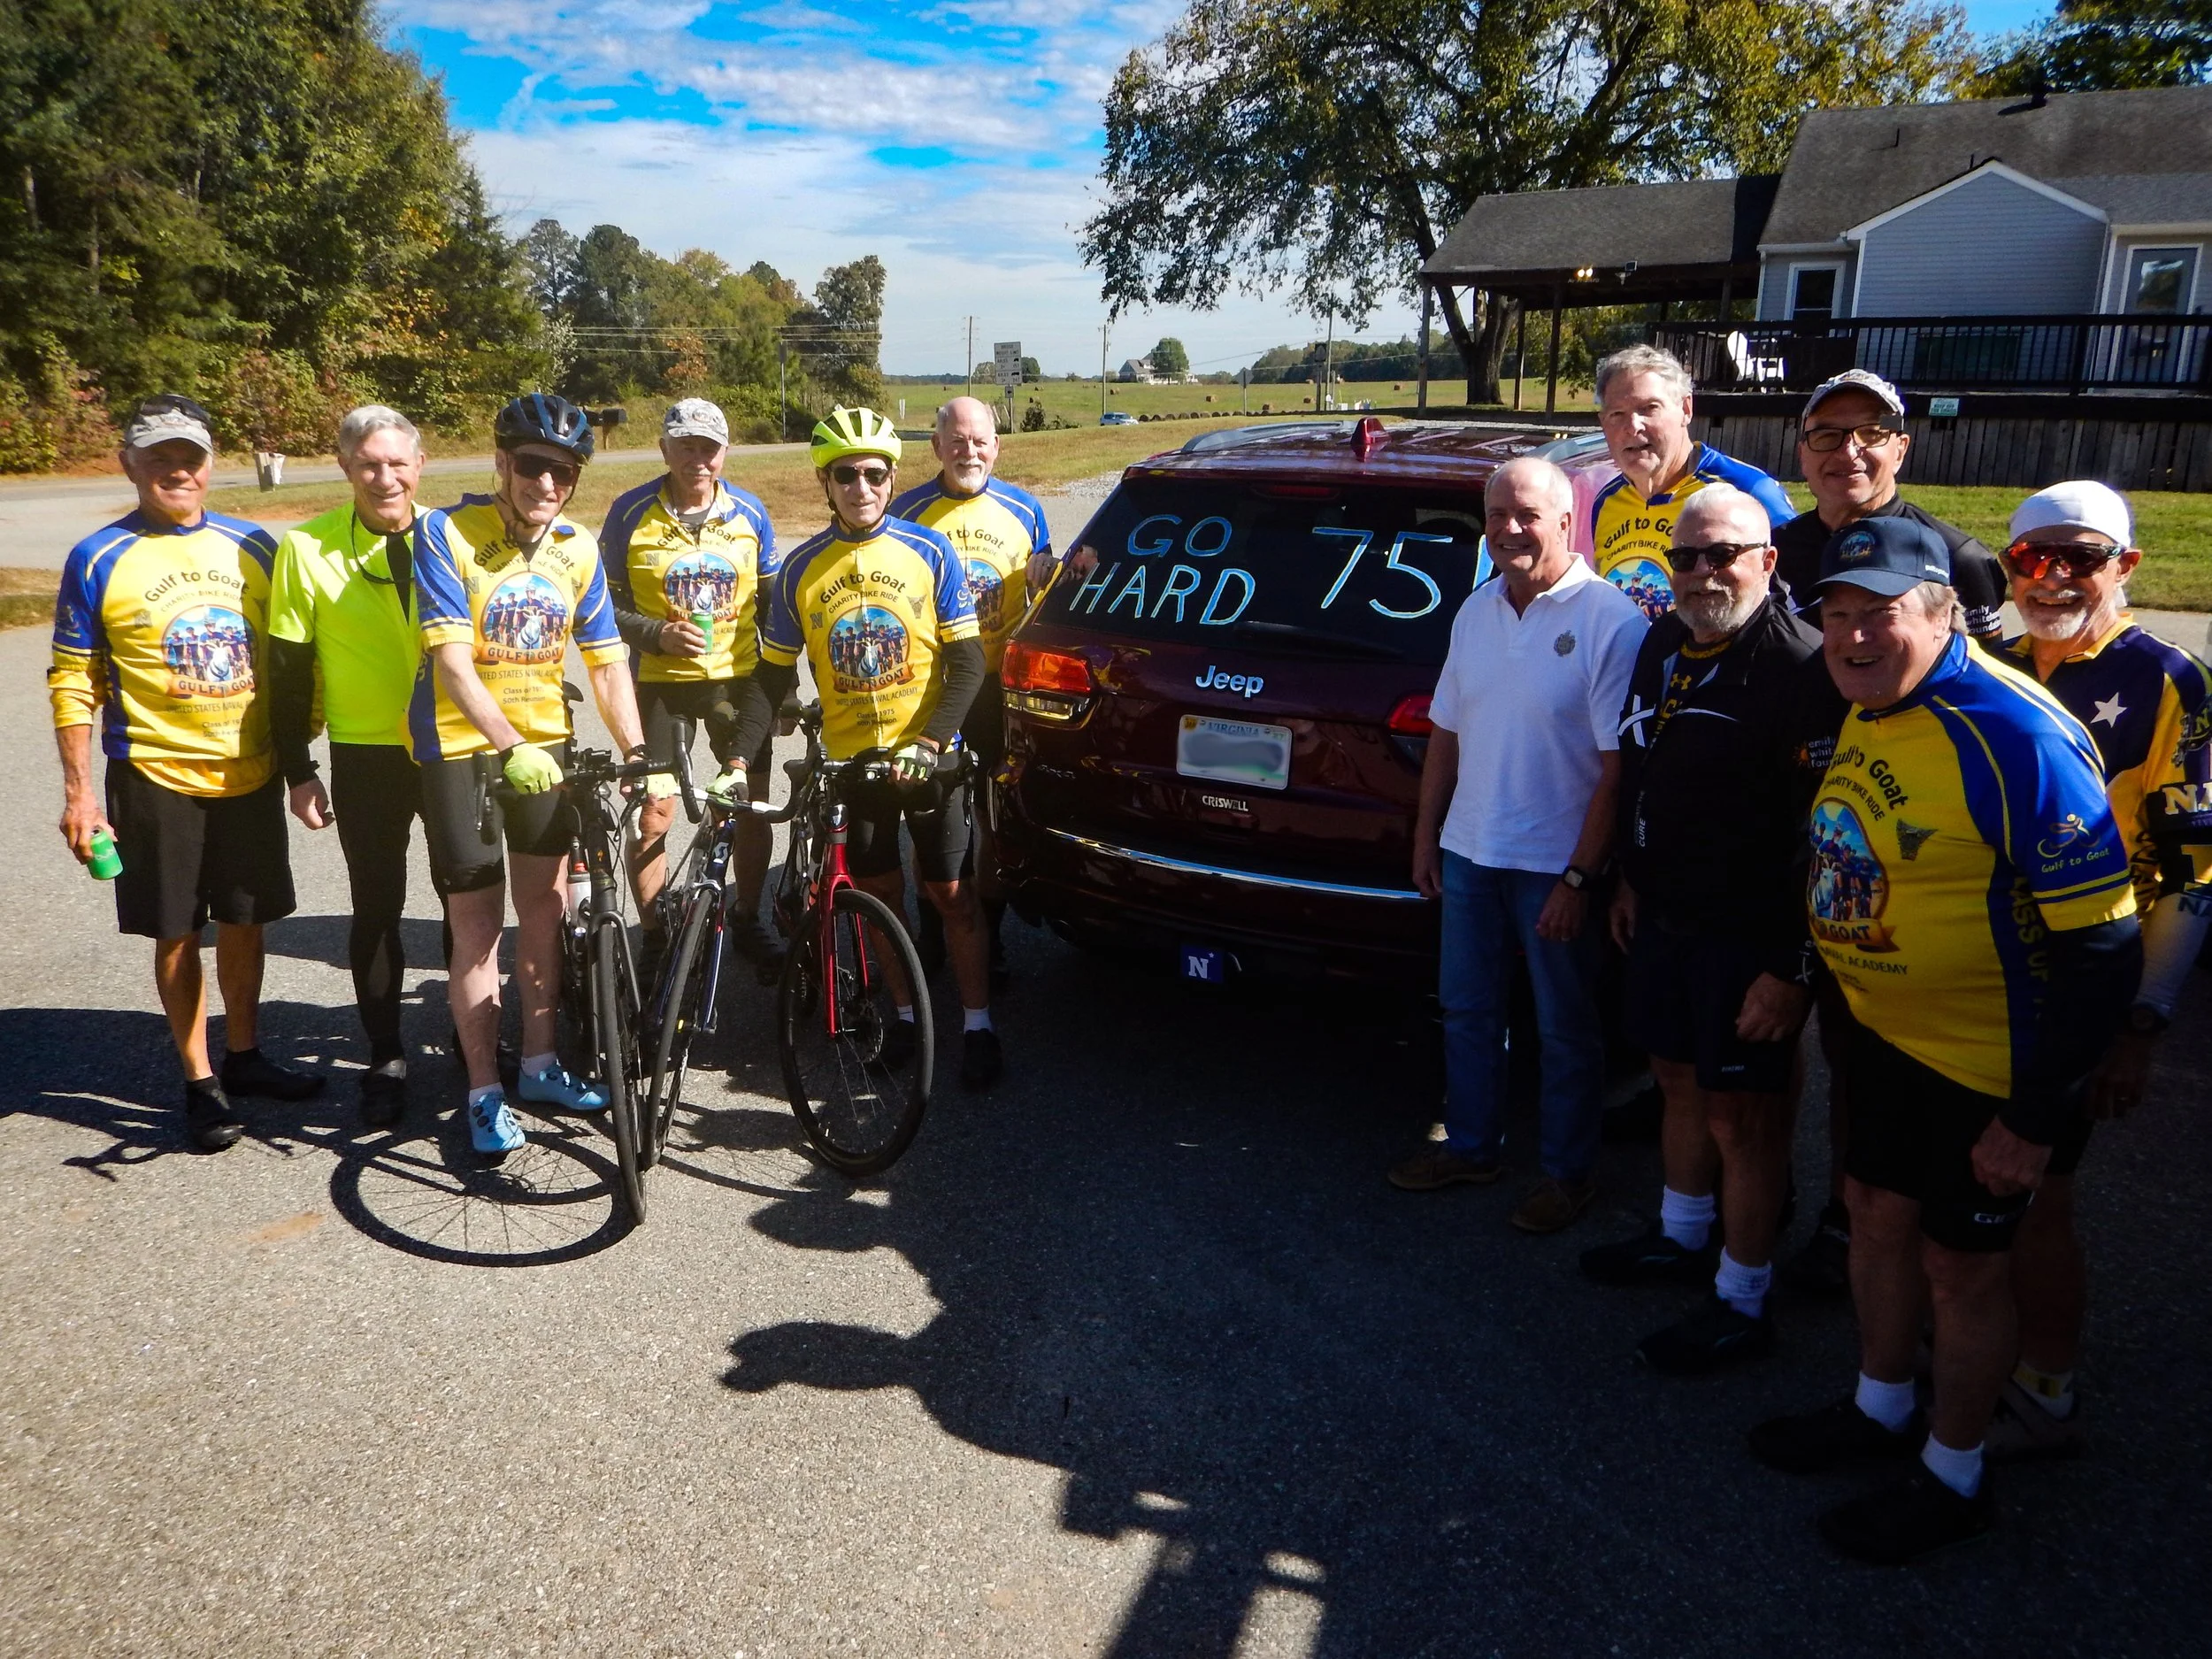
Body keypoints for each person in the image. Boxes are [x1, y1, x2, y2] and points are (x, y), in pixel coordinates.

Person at [1747, 516, 2142, 1564]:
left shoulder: (2016, 734)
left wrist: (2034, 1118)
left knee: (1961, 1271)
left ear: (1939, 613)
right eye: (1834, 618)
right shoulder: (1870, 703)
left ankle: (1952, 1473)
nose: (1851, 639)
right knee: (1874, 1214)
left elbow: (2103, 949)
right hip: (1885, 1039)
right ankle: (1881, 1406)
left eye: (1877, 617)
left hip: (1994, 1062)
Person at [1581, 485, 1847, 1371]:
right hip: (1663, 914)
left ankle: (1742, 1295)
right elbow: (1642, 768)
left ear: (1767, 562)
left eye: (1723, 553)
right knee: (1675, 1078)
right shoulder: (1665, 639)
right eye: (1685, 558)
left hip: (1750, 934)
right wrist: (1626, 878)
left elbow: (1825, 842)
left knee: (1746, 1118)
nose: (1701, 573)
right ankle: (1680, 1234)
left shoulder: (1802, 670)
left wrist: (1789, 970)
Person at [1987, 480, 2212, 1458]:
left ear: (2124, 566)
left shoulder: (2170, 679)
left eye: (2078, 556)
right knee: (1969, 1178)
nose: (2052, 577)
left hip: (2083, 983)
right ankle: (1969, 1345)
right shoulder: (1989, 660)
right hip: (1981, 977)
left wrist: (2144, 1020)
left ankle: (2044, 1378)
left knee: (2040, 1193)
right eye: (2032, 557)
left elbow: (2196, 871)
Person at [49, 395, 322, 1151]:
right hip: (154, 776)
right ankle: (201, 1082)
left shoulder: (256, 546)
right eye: (160, 456)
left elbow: (294, 654)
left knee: (245, 918)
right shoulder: (98, 557)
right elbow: (73, 678)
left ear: (211, 463)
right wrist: (78, 794)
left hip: (249, 772)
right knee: (177, 931)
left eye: (191, 456)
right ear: (128, 463)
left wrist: (302, 745)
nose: (178, 469)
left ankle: (245, 1052)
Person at [1389, 457, 1647, 1232]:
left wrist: (1579, 877)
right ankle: (1472, 1145)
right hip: (1470, 850)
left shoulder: (1611, 620)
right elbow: (1446, 732)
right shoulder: (1475, 611)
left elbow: (1616, 772)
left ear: (1567, 521)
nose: (1508, 529)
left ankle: (1568, 1175)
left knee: (1565, 1025)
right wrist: (1427, 834)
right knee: (1467, 1009)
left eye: (1527, 515)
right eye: (1497, 515)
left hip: (1553, 866)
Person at [727, 406, 1003, 1089]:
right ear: (826, 482)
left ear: (891, 477)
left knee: (949, 892)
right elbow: (770, 676)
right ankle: (906, 1016)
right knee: (879, 894)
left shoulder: (929, 552)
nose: (861, 486)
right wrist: (736, 759)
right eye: (845, 474)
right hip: (855, 765)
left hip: (927, 756)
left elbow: (969, 664)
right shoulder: (800, 570)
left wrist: (933, 738)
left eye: (874, 473)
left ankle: (978, 1024)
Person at [411, 393, 648, 1159]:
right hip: (461, 750)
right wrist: (509, 741)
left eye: (565, 473)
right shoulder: (445, 532)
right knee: (478, 928)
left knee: (544, 911)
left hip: (546, 746)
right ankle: (483, 1089)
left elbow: (607, 660)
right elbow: (451, 662)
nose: (548, 485)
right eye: (535, 467)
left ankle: (540, 1064)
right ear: (503, 462)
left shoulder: (579, 549)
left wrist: (640, 752)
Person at [266, 405, 434, 1128]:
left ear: (419, 466)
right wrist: (297, 769)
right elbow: (288, 668)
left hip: (452, 744)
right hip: (365, 752)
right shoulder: (306, 548)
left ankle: (471, 1037)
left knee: (471, 901)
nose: (384, 477)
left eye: (398, 463)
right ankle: (386, 1054)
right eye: (369, 463)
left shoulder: (452, 537)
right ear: (345, 468)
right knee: (377, 905)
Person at [600, 397, 784, 976]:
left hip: (737, 678)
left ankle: (750, 914)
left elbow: (776, 609)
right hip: (658, 683)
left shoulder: (751, 513)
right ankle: (654, 932)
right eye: (686, 446)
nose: (697, 459)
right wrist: (655, 634)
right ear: (665, 448)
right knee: (653, 813)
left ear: (724, 452)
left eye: (709, 448)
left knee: (749, 806)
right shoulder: (630, 512)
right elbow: (603, 609)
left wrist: (784, 691)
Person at [889, 396, 1052, 984]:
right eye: (957, 441)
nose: (969, 452)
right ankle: (934, 933)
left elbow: (1046, 588)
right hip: (932, 691)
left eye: (980, 441)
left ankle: (988, 930)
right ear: (936, 446)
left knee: (989, 817)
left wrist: (1056, 567)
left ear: (997, 446)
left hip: (996, 690)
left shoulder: (1025, 509)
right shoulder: (906, 511)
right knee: (930, 815)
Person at [1771, 372, 2006, 641]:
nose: (1848, 451)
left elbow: (1981, 673)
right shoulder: (1773, 550)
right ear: (1803, 454)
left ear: (1900, 450)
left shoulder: (1957, 558)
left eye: (1871, 433)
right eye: (1826, 435)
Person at [1590, 345, 1795, 623]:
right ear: (1603, 423)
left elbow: (1794, 614)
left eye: (1649, 408)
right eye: (1617, 414)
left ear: (1686, 409)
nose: (1633, 426)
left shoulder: (1749, 492)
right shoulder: (1605, 501)